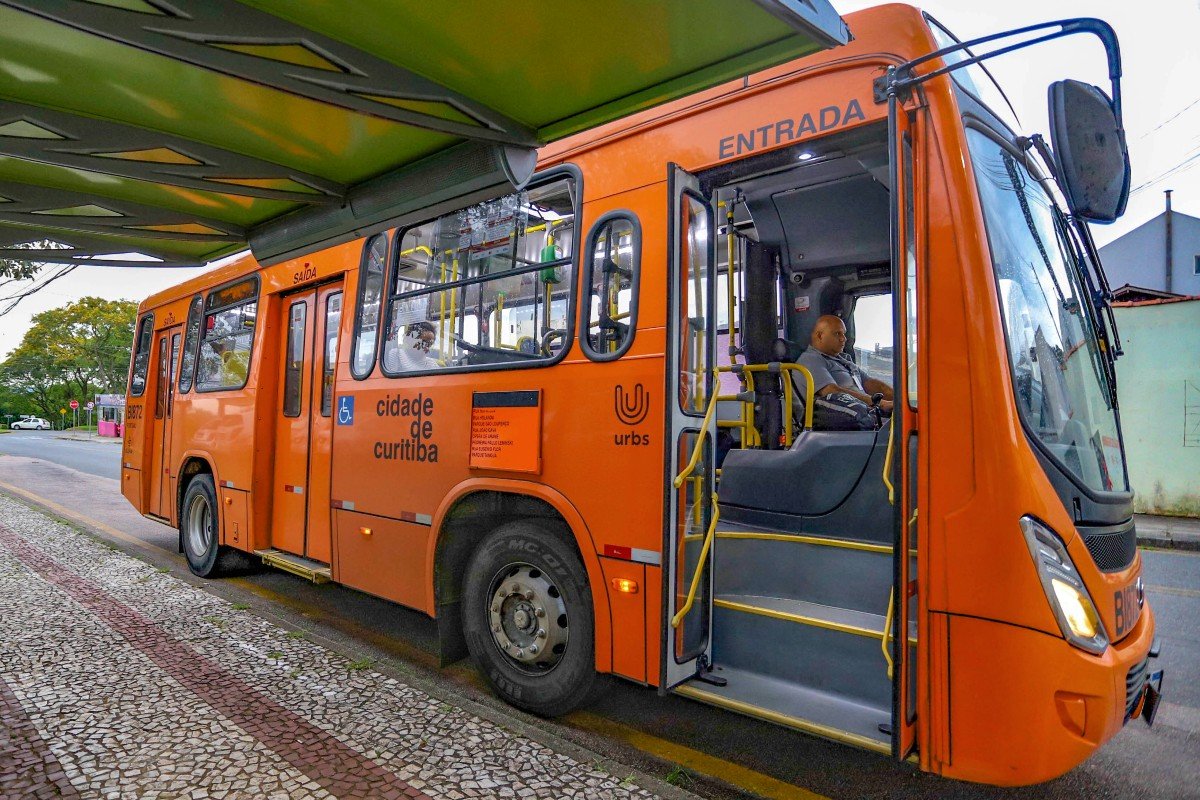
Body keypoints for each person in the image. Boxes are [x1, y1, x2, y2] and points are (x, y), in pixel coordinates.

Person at [794, 315, 893, 428]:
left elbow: (870, 383)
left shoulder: (844, 361)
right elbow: (831, 391)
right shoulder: (810, 359)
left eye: (844, 334)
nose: (843, 339)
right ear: (820, 336)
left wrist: (902, 400)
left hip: (866, 415)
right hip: (845, 423)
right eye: (837, 334)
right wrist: (880, 403)